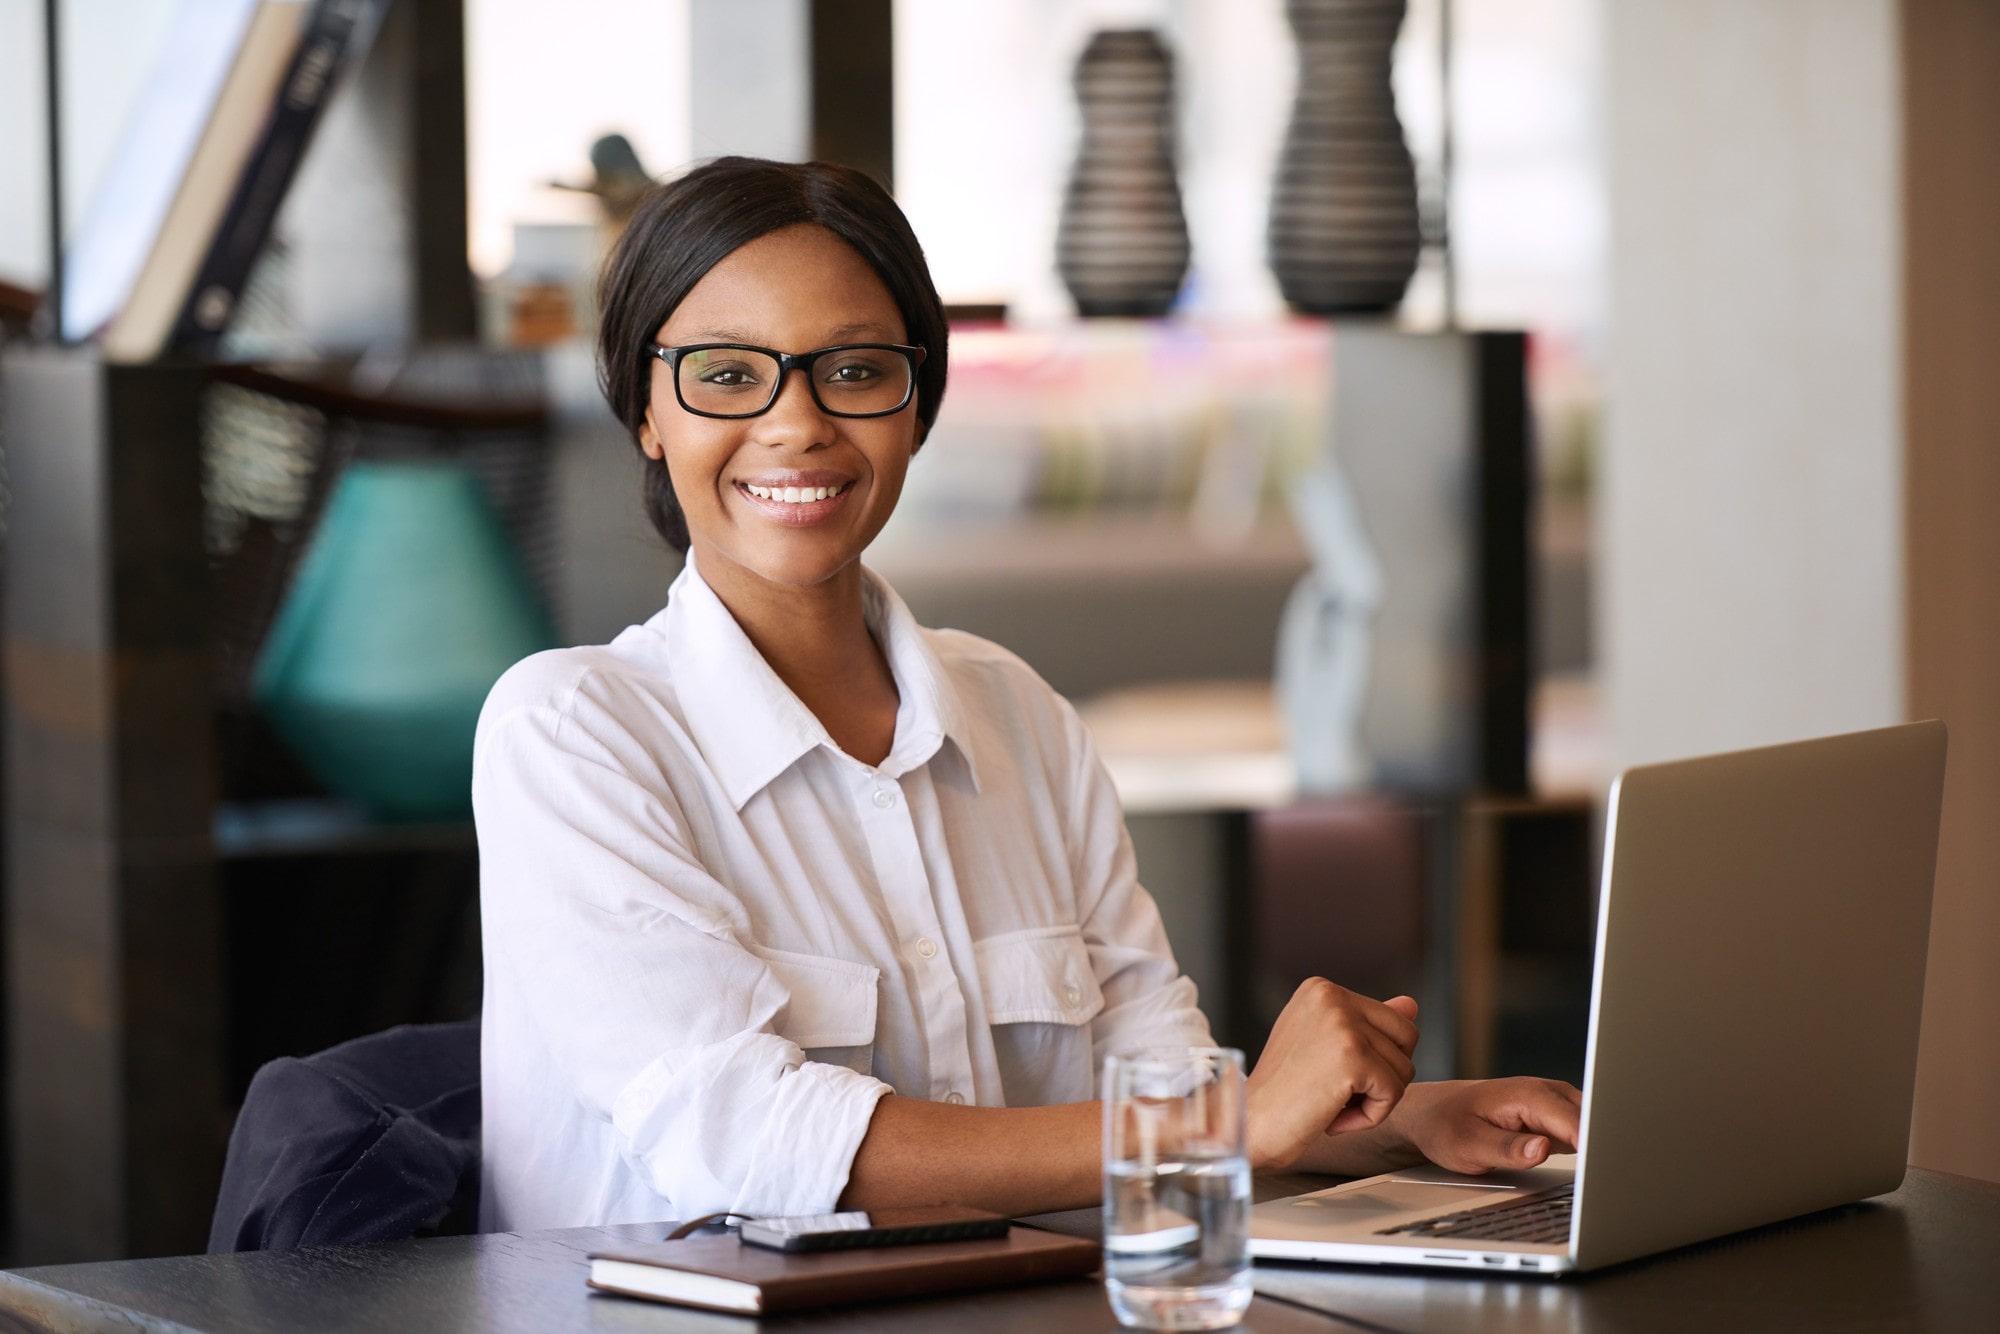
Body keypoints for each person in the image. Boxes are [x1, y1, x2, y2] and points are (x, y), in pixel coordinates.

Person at [474, 156, 1581, 1233]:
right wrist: (1232, 1119)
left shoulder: (1017, 715)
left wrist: (1396, 1119)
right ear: (645, 413)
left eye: (855, 369)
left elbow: (1145, 1086)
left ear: (918, 406)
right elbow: (745, 1139)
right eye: (725, 374)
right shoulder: (571, 733)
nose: (797, 422)